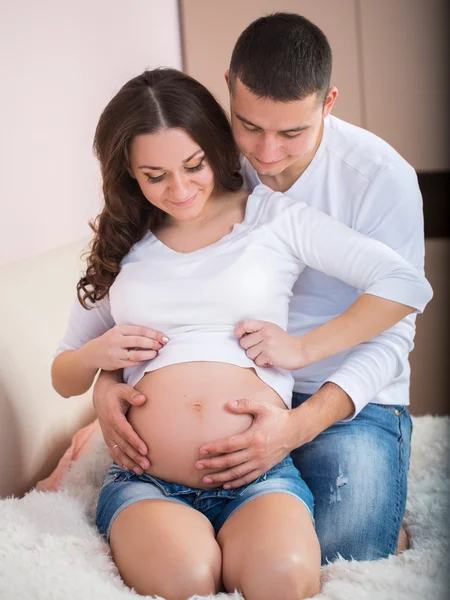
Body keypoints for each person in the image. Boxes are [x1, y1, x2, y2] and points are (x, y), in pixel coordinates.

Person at [51, 67, 431, 600]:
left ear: (214, 146)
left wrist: (303, 348)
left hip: (261, 475)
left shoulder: (273, 218)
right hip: (150, 479)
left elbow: (405, 284)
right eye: (155, 175)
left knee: (286, 579)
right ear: (129, 174)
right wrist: (99, 360)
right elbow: (63, 374)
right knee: (185, 580)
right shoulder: (123, 245)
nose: (180, 190)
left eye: (193, 165)